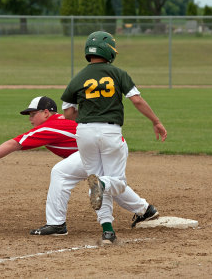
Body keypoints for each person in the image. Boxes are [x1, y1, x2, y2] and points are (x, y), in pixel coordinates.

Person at [0, 96, 159, 242]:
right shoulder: (61, 121)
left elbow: (14, 143)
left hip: (97, 151)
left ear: (45, 112)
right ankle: (145, 210)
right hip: (113, 145)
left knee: (61, 172)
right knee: (106, 182)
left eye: (32, 114)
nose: (30, 119)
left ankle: (56, 224)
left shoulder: (50, 126)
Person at [61, 31, 167, 243]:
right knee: (114, 182)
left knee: (96, 183)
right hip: (110, 132)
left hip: (84, 133)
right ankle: (103, 185)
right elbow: (136, 100)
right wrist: (156, 121)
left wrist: (90, 117)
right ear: (109, 51)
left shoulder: (79, 76)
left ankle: (107, 231)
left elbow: (68, 112)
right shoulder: (118, 73)